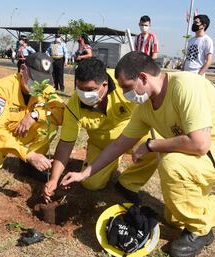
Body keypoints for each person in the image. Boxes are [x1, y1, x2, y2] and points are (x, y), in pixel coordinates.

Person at [61, 52, 215, 257]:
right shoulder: (145, 107)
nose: (124, 94)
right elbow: (119, 144)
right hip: (208, 152)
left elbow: (200, 144)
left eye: (126, 87)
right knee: (176, 217)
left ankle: (200, 231)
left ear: (143, 78)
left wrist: (152, 145)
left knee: (171, 164)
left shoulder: (184, 85)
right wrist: (85, 173)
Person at [43, 58, 158, 204]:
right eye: (80, 88)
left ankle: (129, 183)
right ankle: (113, 159)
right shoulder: (74, 105)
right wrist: (53, 179)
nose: (84, 94)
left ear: (104, 84)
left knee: (155, 145)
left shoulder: (125, 86)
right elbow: (66, 143)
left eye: (89, 90)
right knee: (91, 184)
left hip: (132, 137)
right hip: (101, 145)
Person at [0, 53, 64, 186]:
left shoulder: (44, 87)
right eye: (34, 79)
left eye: (42, 80)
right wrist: (28, 154)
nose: (38, 85)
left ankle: (28, 167)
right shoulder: (2, 89)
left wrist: (35, 115)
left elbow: (61, 112)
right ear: (22, 69)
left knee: (50, 127)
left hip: (22, 130)